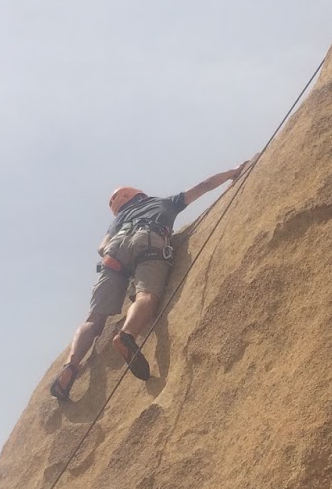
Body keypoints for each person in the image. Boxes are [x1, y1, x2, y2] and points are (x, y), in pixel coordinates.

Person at [49, 162, 251, 400]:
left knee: (94, 319)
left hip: (114, 252)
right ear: (139, 195)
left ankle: (70, 366)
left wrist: (115, 254)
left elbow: (101, 247)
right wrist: (233, 172)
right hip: (148, 239)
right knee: (146, 295)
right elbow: (204, 186)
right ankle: (127, 336)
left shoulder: (116, 221)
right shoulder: (161, 203)